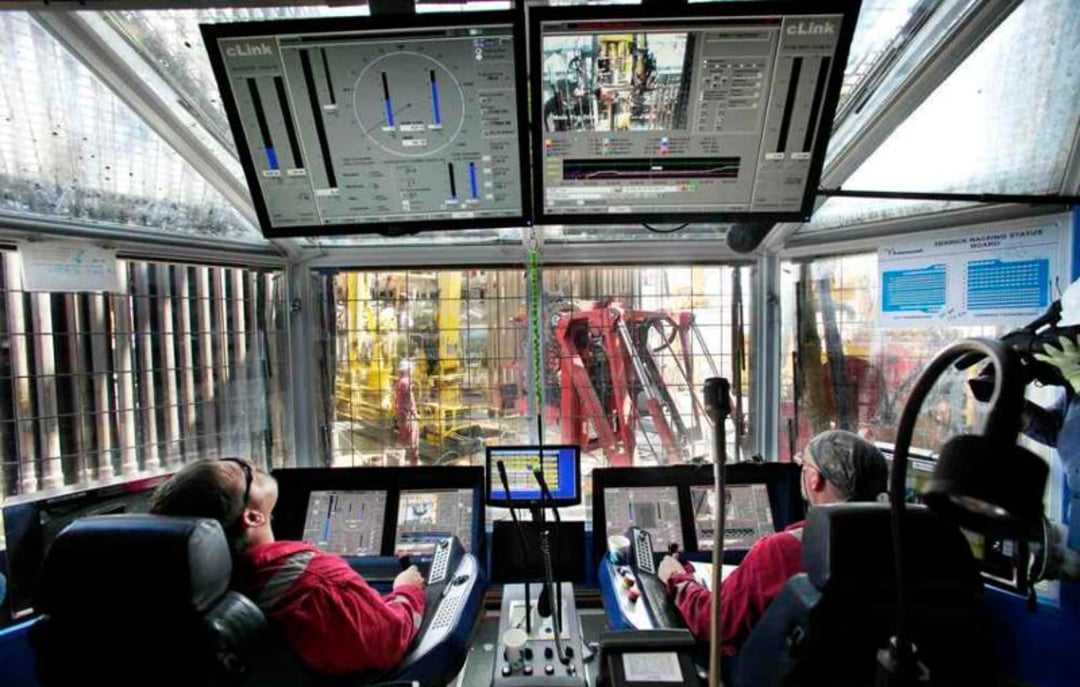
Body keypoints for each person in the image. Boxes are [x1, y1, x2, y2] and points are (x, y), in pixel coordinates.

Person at [148, 458, 426, 676]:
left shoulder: (203, 590)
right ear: (254, 517)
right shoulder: (316, 585)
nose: (252, 465)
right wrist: (407, 591)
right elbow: (389, 637)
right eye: (244, 471)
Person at [657, 429, 888, 656]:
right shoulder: (895, 546)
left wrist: (677, 579)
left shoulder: (780, 551)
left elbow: (715, 622)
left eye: (804, 467)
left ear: (814, 479)